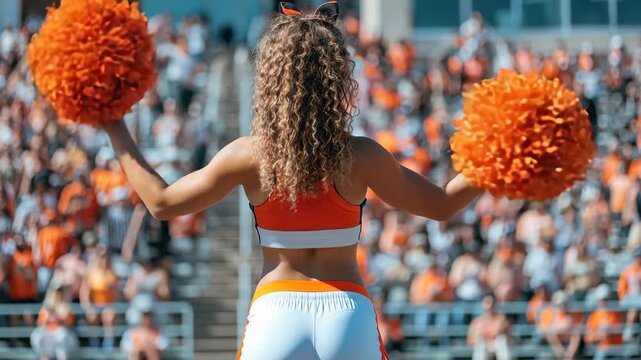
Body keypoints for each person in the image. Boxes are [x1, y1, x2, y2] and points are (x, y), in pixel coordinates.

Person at [101, 2, 482, 358]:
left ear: (269, 81)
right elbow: (444, 203)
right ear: (337, 79)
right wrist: (504, 161)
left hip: (275, 313)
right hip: (348, 312)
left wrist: (113, 124)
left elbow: (162, 203)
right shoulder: (362, 155)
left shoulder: (248, 155)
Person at [537, 291, 583, 360]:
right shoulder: (548, 312)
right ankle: (561, 355)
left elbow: (578, 327)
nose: (562, 306)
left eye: (564, 303)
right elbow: (542, 329)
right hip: (554, 342)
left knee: (576, 334)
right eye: (559, 304)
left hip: (569, 340)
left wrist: (566, 327)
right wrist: (559, 328)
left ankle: (568, 355)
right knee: (550, 334)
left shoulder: (574, 313)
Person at [585, 285, 624, 360]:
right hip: (601, 350)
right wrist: (599, 335)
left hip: (615, 350)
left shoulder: (615, 314)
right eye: (601, 300)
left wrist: (606, 332)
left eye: (606, 300)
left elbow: (615, 332)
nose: (603, 303)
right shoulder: (593, 316)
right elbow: (588, 338)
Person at [467, 295, 511, 360]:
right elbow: (470, 340)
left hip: (497, 346)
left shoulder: (502, 319)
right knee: (481, 344)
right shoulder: (477, 321)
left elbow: (509, 337)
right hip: (484, 347)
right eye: (487, 302)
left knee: (501, 341)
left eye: (492, 303)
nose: (490, 306)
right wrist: (479, 336)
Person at [617, 246, 641, 341]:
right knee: (634, 308)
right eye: (637, 256)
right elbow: (622, 289)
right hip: (630, 298)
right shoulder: (628, 270)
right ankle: (629, 330)